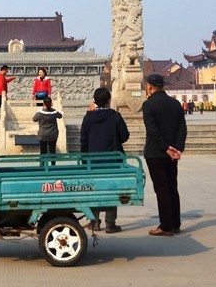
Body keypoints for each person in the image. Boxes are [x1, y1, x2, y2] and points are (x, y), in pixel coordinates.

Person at [141, 73, 187, 236]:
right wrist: (177, 148)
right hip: (172, 154)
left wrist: (166, 148)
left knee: (162, 189)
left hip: (156, 153)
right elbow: (182, 128)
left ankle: (166, 226)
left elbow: (152, 131)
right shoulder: (175, 104)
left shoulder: (149, 105)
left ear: (149, 86)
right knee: (172, 187)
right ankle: (175, 223)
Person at [80, 86, 130, 233]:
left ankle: (94, 222)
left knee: (94, 190)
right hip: (113, 160)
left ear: (94, 101)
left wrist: (84, 160)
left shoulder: (88, 117)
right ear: (109, 101)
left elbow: (83, 140)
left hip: (93, 161)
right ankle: (110, 223)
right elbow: (125, 136)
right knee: (111, 190)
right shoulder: (115, 116)